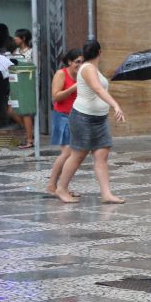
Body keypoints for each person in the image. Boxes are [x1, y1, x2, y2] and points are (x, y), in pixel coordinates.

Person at [54, 40, 127, 204]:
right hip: (83, 118)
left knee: (102, 155)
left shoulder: (93, 69)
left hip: (99, 119)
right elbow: (98, 89)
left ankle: (106, 194)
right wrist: (115, 105)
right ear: (100, 52)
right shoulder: (87, 69)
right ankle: (61, 188)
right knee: (78, 154)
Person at [46, 48, 82, 197]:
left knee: (74, 153)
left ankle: (62, 186)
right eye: (77, 62)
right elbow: (55, 97)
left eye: (83, 62)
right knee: (67, 152)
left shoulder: (83, 75)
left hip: (77, 117)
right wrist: (73, 88)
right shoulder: (61, 74)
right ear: (69, 62)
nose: (80, 65)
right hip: (62, 116)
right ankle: (52, 185)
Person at [7, 29, 35, 149]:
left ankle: (29, 139)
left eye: (17, 37)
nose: (14, 39)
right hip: (15, 84)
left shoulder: (32, 52)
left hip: (26, 84)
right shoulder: (16, 51)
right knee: (11, 110)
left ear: (23, 38)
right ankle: (30, 132)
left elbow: (34, 68)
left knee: (25, 112)